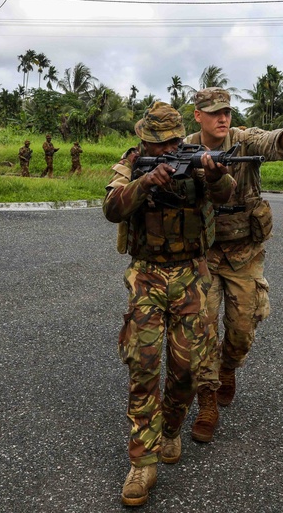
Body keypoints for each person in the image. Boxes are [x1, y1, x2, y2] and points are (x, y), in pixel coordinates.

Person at [103, 102, 235, 507]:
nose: (166, 151)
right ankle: (142, 462)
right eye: (156, 145)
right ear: (143, 140)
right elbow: (111, 209)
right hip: (146, 275)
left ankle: (172, 427)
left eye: (172, 144)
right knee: (143, 367)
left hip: (191, 275)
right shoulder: (130, 164)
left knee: (187, 369)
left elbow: (226, 192)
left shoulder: (198, 163)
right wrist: (146, 184)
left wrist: (214, 176)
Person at [184, 87, 283, 443]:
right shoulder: (186, 147)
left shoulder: (243, 140)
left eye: (226, 111)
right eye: (213, 113)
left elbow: (271, 142)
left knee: (241, 330)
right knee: (202, 329)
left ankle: (228, 368)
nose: (222, 118)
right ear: (198, 115)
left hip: (245, 251)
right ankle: (207, 400)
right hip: (204, 253)